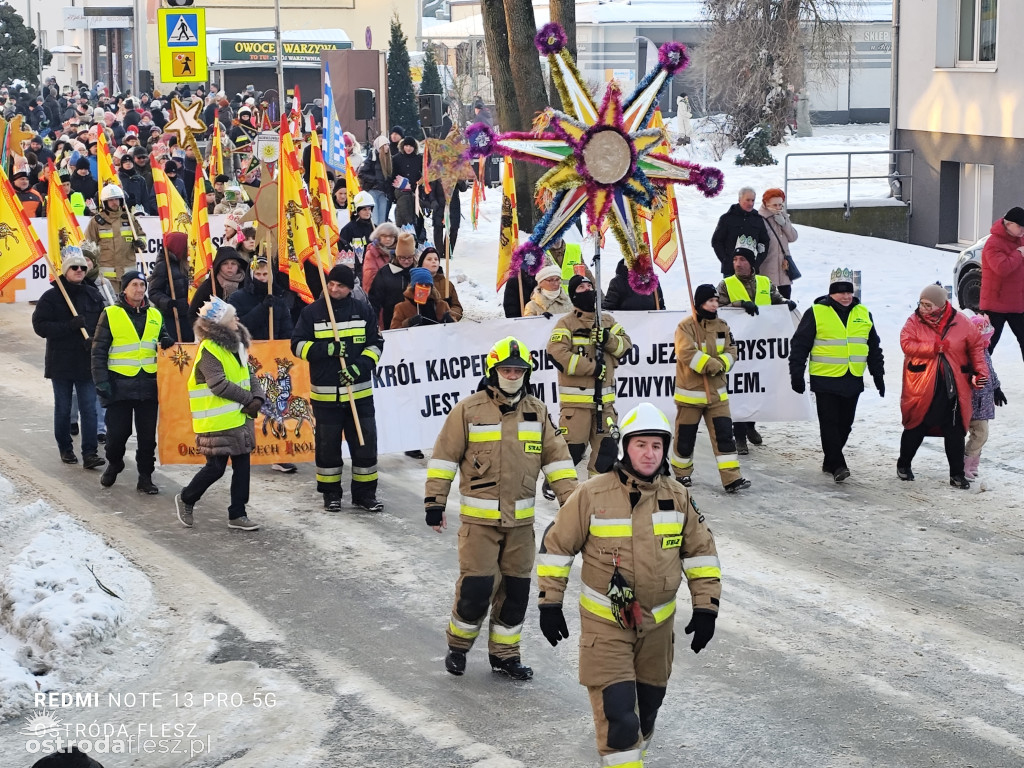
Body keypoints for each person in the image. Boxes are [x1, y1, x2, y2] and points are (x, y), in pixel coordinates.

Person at [536, 402, 721, 767]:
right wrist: (549, 603)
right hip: (606, 626)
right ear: (626, 448)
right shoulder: (592, 494)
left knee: (646, 715)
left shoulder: (678, 497)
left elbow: (701, 553)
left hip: (657, 630)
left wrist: (706, 607)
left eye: (657, 445)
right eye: (641, 445)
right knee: (620, 719)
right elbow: (557, 545)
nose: (649, 453)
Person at [425, 336, 578, 680]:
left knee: (516, 594)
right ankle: (458, 648)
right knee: (476, 590)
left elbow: (559, 463)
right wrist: (435, 502)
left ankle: (505, 656)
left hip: (521, 527)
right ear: (493, 371)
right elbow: (444, 458)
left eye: (518, 369)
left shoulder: (537, 412)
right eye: (506, 369)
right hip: (479, 524)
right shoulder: (468, 410)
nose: (512, 374)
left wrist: (574, 505)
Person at [291, 264, 384, 512]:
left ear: (349, 287)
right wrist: (327, 349)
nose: (334, 289)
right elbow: (297, 345)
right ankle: (331, 494)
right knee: (328, 449)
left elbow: (376, 346)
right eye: (331, 284)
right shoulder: (312, 313)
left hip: (359, 394)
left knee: (365, 446)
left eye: (340, 285)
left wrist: (357, 369)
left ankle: (364, 495)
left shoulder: (363, 310)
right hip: (326, 396)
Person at [174, 297, 265, 531]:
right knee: (215, 468)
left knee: (242, 465)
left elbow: (249, 374)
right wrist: (248, 400)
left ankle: (237, 513)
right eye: (231, 316)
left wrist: (258, 397)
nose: (237, 319)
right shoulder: (209, 349)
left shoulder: (237, 345)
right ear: (220, 324)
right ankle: (186, 497)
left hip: (238, 417)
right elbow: (219, 385)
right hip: (216, 421)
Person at [789, 268, 885, 482]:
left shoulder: (863, 313)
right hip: (825, 379)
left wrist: (878, 375)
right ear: (831, 293)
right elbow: (800, 345)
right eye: (841, 292)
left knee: (845, 424)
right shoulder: (816, 312)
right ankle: (838, 464)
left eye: (849, 292)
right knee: (829, 423)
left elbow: (873, 347)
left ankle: (830, 458)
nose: (846, 296)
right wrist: (796, 373)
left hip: (852, 378)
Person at [897, 284, 988, 489]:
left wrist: (982, 373)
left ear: (940, 305)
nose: (923, 308)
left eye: (928, 305)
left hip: (953, 387)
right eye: (921, 303)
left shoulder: (961, 323)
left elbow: (976, 348)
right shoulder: (913, 321)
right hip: (922, 386)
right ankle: (904, 464)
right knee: (916, 427)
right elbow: (906, 343)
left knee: (955, 431)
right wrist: (933, 348)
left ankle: (957, 475)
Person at [92, 269, 174, 493]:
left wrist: (166, 339)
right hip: (118, 386)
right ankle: (115, 462)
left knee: (147, 438)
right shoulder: (110, 314)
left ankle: (145, 477)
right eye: (134, 285)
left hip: (148, 386)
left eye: (142, 285)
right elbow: (98, 352)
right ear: (125, 288)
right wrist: (101, 382)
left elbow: (162, 338)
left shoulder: (156, 315)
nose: (139, 289)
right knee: (117, 435)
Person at [547, 275, 632, 475]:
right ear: (573, 296)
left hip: (606, 403)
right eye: (581, 288)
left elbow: (626, 347)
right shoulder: (566, 324)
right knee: (572, 451)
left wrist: (608, 338)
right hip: (577, 406)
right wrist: (591, 367)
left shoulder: (607, 321)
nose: (587, 290)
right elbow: (556, 353)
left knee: (607, 451)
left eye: (589, 286)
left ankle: (595, 493)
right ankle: (555, 486)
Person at [31, 247, 106, 469]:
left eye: (83, 267)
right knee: (63, 408)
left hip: (85, 362)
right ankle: (65, 448)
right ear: (65, 270)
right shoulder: (52, 296)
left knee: (89, 409)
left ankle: (90, 453)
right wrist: (68, 326)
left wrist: (93, 340)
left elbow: (104, 323)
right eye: (74, 267)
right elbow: (40, 326)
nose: (80, 270)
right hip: (61, 363)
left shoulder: (92, 294)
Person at [671, 284, 750, 492]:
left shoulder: (722, 325)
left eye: (716, 301)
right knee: (685, 438)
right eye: (710, 301)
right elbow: (686, 353)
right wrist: (710, 364)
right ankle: (682, 473)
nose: (715, 305)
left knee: (724, 436)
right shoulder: (686, 327)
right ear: (699, 303)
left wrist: (722, 363)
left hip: (717, 395)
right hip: (690, 395)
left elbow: (732, 351)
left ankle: (732, 478)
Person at [717, 244, 794, 453]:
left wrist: (787, 304)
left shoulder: (764, 282)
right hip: (736, 346)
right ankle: (739, 435)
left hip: (759, 346)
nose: (738, 264)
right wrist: (740, 304)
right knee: (741, 389)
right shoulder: (726, 284)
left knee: (757, 387)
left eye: (742, 260)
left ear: (751, 263)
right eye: (735, 260)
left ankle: (751, 425)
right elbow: (717, 306)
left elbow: (775, 300)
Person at [229, 253, 296, 474]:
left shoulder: (279, 295)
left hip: (273, 360)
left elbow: (286, 325)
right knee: (251, 405)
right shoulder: (238, 298)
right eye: (257, 274)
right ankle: (248, 447)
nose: (261, 277)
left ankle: (277, 451)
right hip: (248, 360)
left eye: (265, 274)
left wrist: (287, 347)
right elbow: (239, 327)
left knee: (276, 408)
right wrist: (261, 309)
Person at [502, 238, 591, 318]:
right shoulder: (533, 303)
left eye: (557, 279)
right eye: (551, 280)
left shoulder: (568, 303)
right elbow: (512, 302)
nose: (556, 283)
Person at [979, 206, 1024, 360]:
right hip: (995, 304)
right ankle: (979, 380)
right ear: (1008, 223)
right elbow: (1002, 268)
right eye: (1020, 226)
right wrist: (1018, 253)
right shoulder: (993, 243)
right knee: (988, 345)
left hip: (1017, 303)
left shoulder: (1020, 239)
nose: (1022, 230)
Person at [83, 184, 146, 293]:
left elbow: (141, 235)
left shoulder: (129, 218)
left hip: (128, 275)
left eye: (117, 199)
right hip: (107, 278)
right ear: (104, 202)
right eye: (111, 200)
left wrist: (141, 243)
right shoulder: (96, 222)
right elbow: (87, 246)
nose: (114, 202)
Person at [964, 315, 1005, 480]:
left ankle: (972, 465)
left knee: (980, 434)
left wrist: (997, 388)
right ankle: (965, 465)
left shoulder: (984, 351)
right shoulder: (968, 356)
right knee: (979, 434)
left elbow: (991, 372)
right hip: (973, 403)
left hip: (984, 402)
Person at [710, 186, 771, 277]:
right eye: (748, 200)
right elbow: (716, 241)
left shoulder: (758, 219)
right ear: (739, 199)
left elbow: (764, 242)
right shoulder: (727, 218)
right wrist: (726, 260)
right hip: (731, 271)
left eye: (753, 200)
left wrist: (757, 261)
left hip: (751, 270)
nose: (751, 203)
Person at [147, 232, 193, 343]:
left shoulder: (185, 263)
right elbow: (153, 291)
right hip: (171, 317)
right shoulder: (163, 265)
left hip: (186, 315)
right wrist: (169, 303)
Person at [188, 247, 250, 326]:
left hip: (240, 329)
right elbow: (193, 314)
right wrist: (206, 329)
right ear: (219, 265)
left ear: (238, 266)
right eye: (225, 263)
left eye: (233, 263)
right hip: (215, 332)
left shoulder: (245, 284)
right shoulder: (209, 285)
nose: (229, 267)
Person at [368, 231, 416, 331]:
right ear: (397, 256)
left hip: (416, 324)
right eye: (402, 258)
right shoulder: (385, 273)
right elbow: (374, 301)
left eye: (409, 258)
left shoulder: (418, 273)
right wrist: (374, 323)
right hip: (391, 324)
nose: (406, 261)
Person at [758, 188, 799, 299]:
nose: (778, 208)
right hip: (766, 266)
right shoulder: (759, 218)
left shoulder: (782, 215)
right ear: (766, 204)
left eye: (780, 205)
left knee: (786, 299)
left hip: (783, 267)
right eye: (774, 205)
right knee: (767, 300)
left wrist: (784, 223)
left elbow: (793, 237)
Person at [419, 244, 462, 320]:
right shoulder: (415, 283)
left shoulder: (447, 284)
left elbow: (457, 307)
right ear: (421, 263)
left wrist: (451, 315)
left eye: (436, 259)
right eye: (429, 259)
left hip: (444, 327)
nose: (433, 262)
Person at [391, 137, 422, 229]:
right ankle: (406, 232)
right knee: (403, 214)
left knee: (416, 214)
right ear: (403, 146)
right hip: (401, 192)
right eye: (406, 146)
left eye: (411, 146)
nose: (408, 148)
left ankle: (417, 235)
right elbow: (393, 175)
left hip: (416, 191)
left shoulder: (419, 158)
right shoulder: (396, 158)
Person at [361, 222, 399, 295]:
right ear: (378, 237)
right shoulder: (372, 253)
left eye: (391, 236)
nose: (388, 239)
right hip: (378, 296)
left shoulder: (400, 252)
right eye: (384, 236)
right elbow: (369, 279)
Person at [338, 191, 376, 264]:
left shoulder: (375, 228)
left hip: (372, 265)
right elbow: (342, 249)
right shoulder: (348, 229)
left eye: (369, 209)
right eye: (364, 209)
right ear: (357, 211)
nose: (368, 212)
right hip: (355, 266)